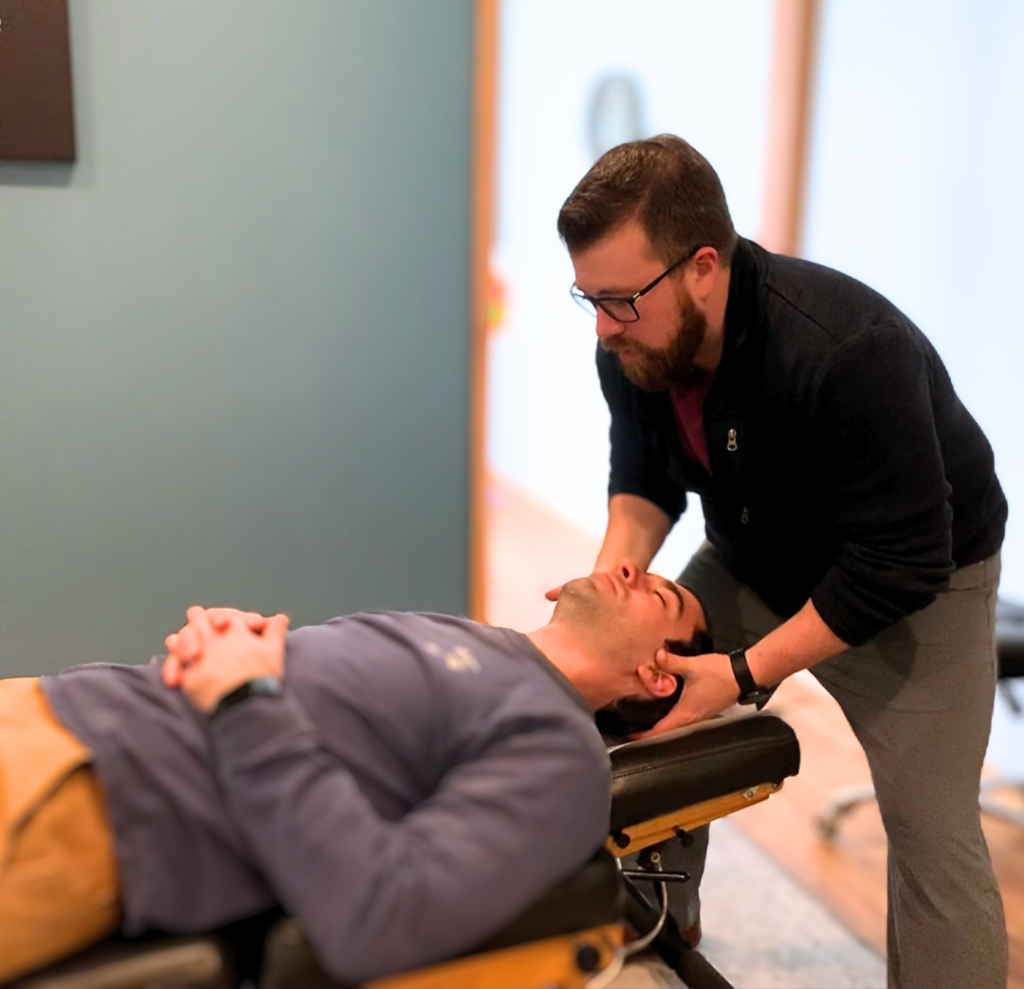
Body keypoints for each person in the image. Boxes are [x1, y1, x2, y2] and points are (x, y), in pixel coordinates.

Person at [552, 134, 1008, 989]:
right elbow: (644, 478)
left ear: (701, 267)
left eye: (621, 300)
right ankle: (656, 945)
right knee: (637, 713)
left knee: (932, 837)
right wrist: (610, 592)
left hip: (920, 580)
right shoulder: (634, 341)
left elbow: (901, 560)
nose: (607, 327)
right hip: (755, 556)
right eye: (591, 301)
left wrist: (740, 671)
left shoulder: (842, 351)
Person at [0, 560, 704, 986]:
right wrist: (229, 649)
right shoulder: (466, 635)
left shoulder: (559, 753)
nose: (625, 566)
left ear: (655, 677)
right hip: (49, 700)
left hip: (94, 793)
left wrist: (246, 699)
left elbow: (382, 916)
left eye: (658, 595)